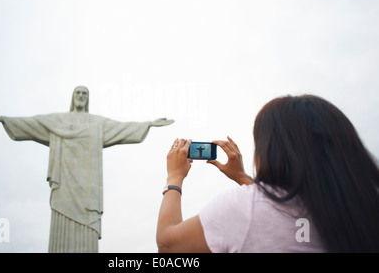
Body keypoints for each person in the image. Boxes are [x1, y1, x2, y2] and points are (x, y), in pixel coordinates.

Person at [156, 94, 379, 252]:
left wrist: (174, 177)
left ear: (273, 150)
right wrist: (242, 178)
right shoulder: (365, 206)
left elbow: (169, 246)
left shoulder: (244, 207)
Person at [0, 85, 174, 252]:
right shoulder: (58, 120)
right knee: (61, 225)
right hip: (64, 187)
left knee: (86, 228)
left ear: (88, 99)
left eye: (84, 93)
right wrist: (3, 119)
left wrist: (148, 124)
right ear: (73, 97)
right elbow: (32, 122)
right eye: (78, 93)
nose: (81, 96)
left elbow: (122, 127)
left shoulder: (97, 122)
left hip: (88, 191)